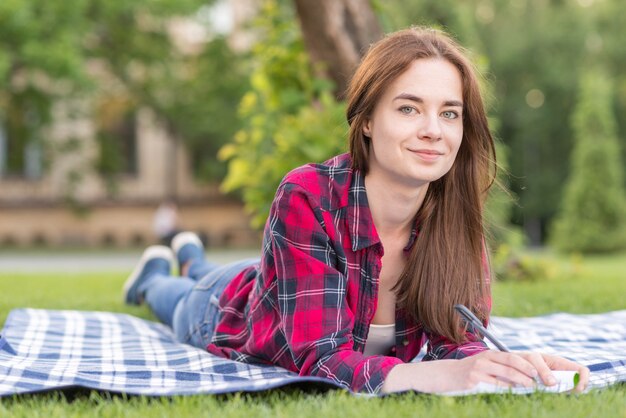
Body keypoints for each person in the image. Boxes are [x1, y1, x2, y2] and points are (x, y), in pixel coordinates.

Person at [123, 27, 589, 394]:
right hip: (225, 306)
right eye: (409, 109)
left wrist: (509, 366)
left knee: (199, 267)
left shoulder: (454, 212)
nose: (433, 130)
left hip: (282, 277)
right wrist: (439, 378)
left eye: (450, 113)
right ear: (366, 120)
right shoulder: (307, 196)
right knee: (176, 297)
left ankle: (187, 251)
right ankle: (156, 273)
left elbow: (457, 341)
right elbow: (320, 359)